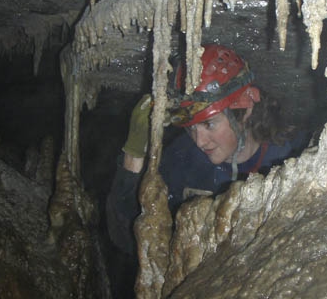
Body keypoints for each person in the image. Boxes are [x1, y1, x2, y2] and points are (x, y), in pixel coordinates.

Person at [106, 44, 310, 252]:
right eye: (190, 128)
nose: (200, 141)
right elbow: (132, 240)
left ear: (245, 110)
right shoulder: (182, 160)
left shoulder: (294, 157)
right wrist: (133, 155)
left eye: (209, 124)